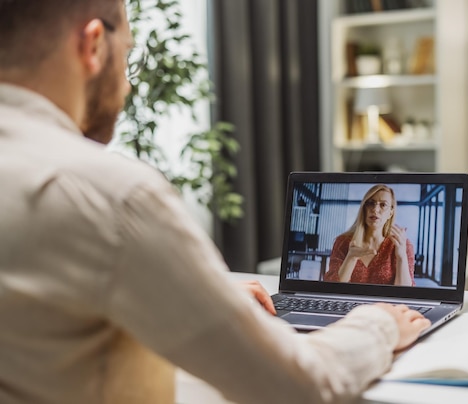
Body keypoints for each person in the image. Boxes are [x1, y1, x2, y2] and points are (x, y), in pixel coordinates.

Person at [0, 1, 431, 403]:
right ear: (93, 44)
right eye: (128, 57)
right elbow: (297, 385)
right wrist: (380, 326)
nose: (129, 84)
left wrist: (191, 292)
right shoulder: (110, 193)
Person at [325, 184, 416, 286]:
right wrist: (351, 258)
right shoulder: (342, 242)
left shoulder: (403, 245)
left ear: (391, 212)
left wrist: (401, 257)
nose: (375, 209)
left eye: (383, 205)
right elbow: (333, 288)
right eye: (371, 203)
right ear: (364, 208)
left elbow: (403, 295)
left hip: (385, 302)